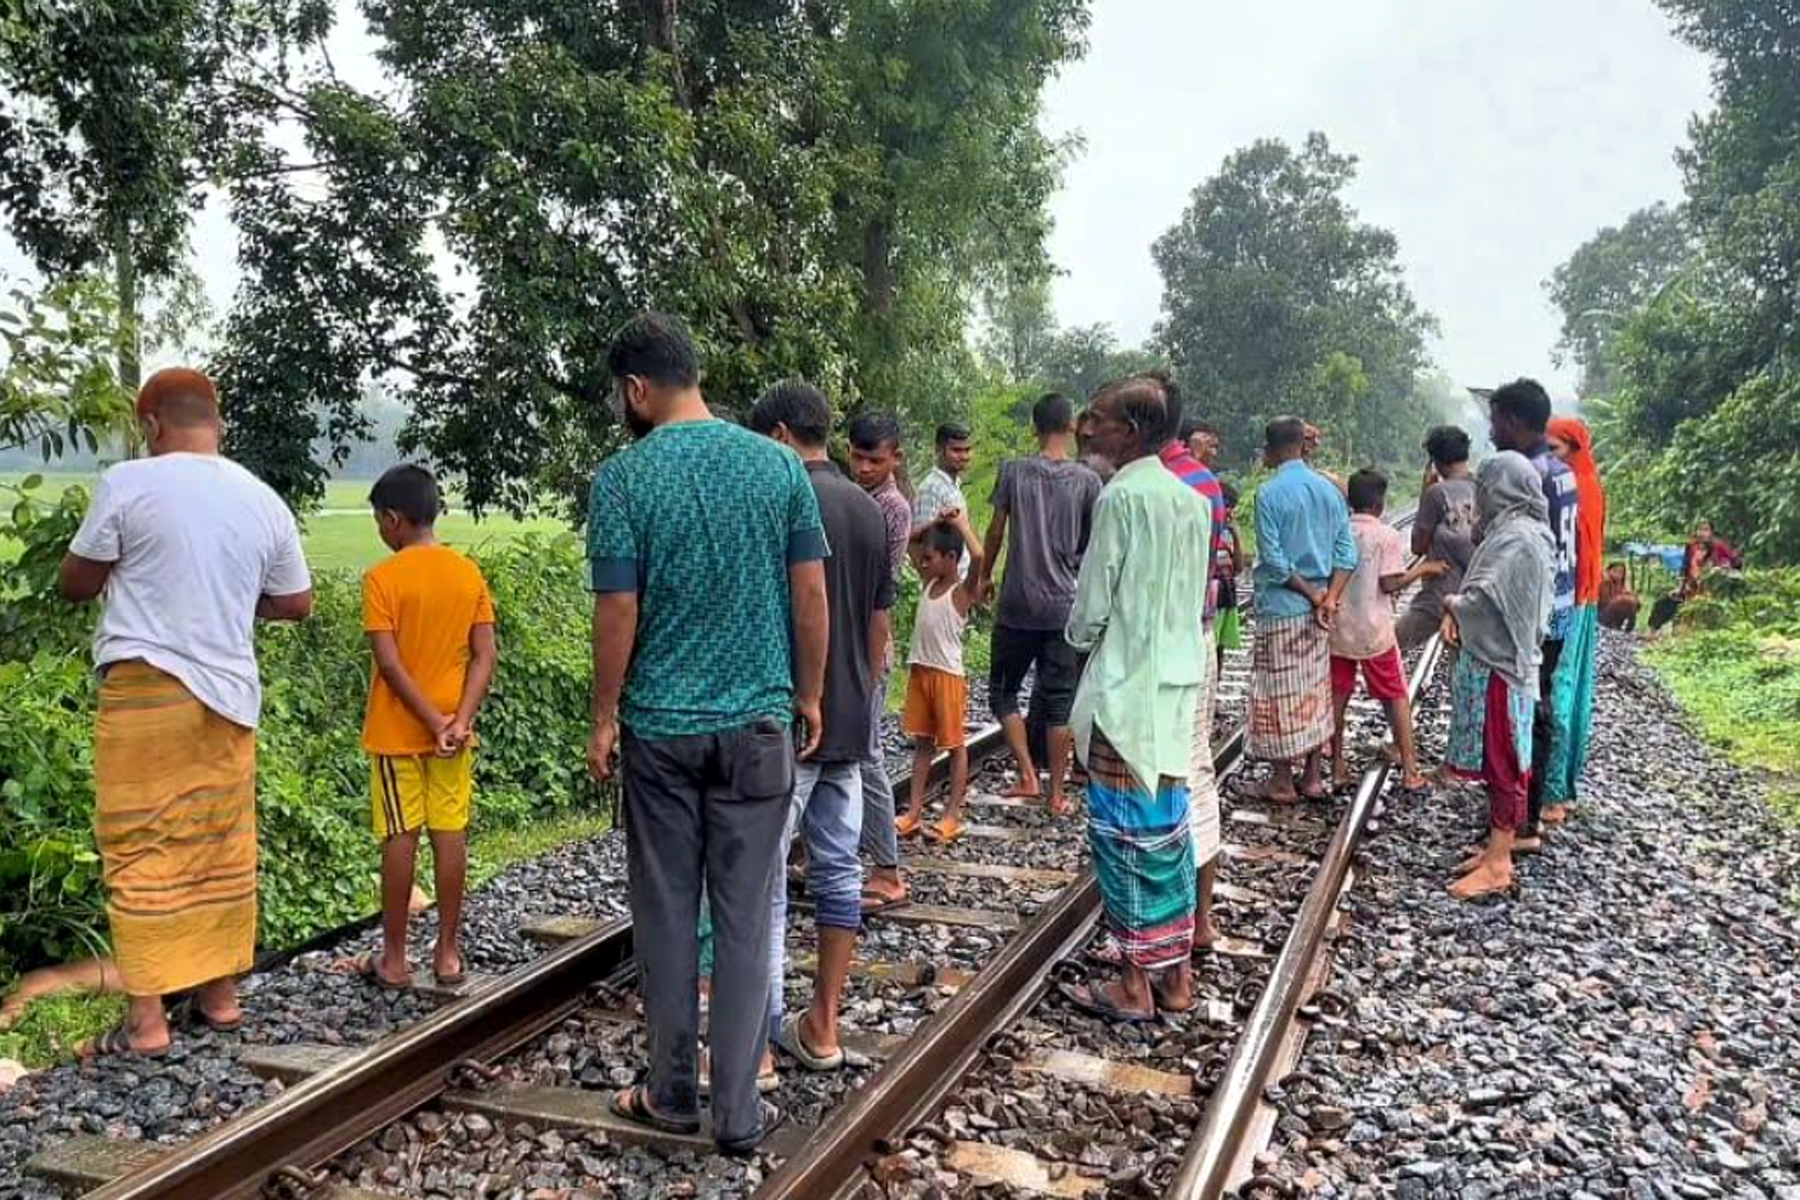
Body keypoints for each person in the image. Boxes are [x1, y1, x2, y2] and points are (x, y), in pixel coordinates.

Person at [585, 313, 827, 1156]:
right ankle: (739, 1112)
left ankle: (669, 1093)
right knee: (745, 914)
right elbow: (810, 594)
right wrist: (809, 694)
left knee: (665, 915)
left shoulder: (623, 479)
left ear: (637, 389)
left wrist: (604, 715)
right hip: (757, 729)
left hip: (660, 734)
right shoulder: (778, 466)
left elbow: (618, 607)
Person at [57, 367, 314, 1058]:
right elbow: (296, 601)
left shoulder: (128, 482)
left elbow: (75, 581)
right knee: (218, 842)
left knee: (139, 844)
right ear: (216, 422)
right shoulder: (260, 497)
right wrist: (232, 599)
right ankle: (219, 995)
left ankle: (147, 1021)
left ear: (151, 424)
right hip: (228, 696)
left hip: (144, 690)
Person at [748, 382, 895, 1080]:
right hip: (850, 719)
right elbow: (877, 622)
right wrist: (860, 696)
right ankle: (824, 1025)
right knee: (839, 870)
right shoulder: (868, 508)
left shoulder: (780, 500)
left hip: (789, 718)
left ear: (779, 435)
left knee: (763, 879)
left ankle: (757, 1042)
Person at [1059, 375, 1210, 1022]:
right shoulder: (1193, 502)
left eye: (1100, 418)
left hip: (1125, 693)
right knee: (1168, 834)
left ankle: (1133, 983)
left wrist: (1077, 638)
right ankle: (1176, 978)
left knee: (1122, 840)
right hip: (1174, 691)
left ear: (1132, 430)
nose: (1088, 427)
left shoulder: (1120, 496)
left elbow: (1092, 607)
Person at [355, 465, 498, 991]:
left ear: (394, 519)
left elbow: (389, 664)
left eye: (379, 520)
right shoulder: (466, 573)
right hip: (454, 736)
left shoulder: (382, 578)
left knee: (400, 834)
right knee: (449, 831)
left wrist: (430, 721)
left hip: (399, 732)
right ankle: (447, 954)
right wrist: (459, 719)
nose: (379, 529)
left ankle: (394, 958)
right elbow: (484, 654)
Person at [978, 392, 1102, 816]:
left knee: (1003, 692)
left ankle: (1028, 774)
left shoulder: (1013, 472)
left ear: (1034, 427)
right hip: (1063, 606)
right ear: (1072, 426)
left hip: (1017, 603)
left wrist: (983, 577)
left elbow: (995, 531)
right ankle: (1057, 795)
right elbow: (1091, 545)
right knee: (1060, 702)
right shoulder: (1088, 481)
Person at [1441, 453, 1555, 900]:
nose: (1480, 497)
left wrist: (1453, 605)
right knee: (1501, 757)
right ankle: (1495, 848)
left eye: (1485, 487)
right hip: (1504, 660)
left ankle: (1500, 862)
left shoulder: (1517, 539)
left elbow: (1486, 600)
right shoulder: (1523, 532)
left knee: (1504, 757)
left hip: (1502, 664)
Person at [1245, 417, 1357, 803]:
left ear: (1272, 448)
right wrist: (1328, 597)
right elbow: (1347, 553)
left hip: (1282, 608)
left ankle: (1281, 780)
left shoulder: (1268, 494)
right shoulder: (1329, 491)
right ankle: (1312, 777)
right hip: (1320, 612)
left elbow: (1274, 561)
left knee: (1277, 690)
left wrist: (1310, 595)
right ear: (1301, 444)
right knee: (1315, 691)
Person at [1486, 379, 1578, 849]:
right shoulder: (1562, 470)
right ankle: (1528, 812)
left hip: (1536, 611)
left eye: (1495, 421)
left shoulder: (1529, 473)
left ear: (1514, 421)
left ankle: (1522, 822)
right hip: (1560, 605)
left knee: (1525, 708)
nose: (1491, 431)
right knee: (1537, 703)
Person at [1328, 469, 1444, 792]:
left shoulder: (1338, 530)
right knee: (1396, 696)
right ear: (1380, 504)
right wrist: (1424, 568)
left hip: (1339, 628)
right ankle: (1410, 770)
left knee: (1337, 698)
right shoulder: (1387, 536)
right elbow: (1390, 583)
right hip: (1374, 632)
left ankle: (1337, 767)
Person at [1159, 403, 1227, 947]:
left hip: (1160, 645)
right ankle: (1199, 920)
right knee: (1196, 767)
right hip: (1197, 636)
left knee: (1156, 776)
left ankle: (1165, 922)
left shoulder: (1141, 486)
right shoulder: (1206, 483)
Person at [846, 413, 912, 914]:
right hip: (849, 644)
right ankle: (834, 855)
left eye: (874, 459)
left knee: (866, 755)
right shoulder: (856, 497)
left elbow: (878, 588)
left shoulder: (891, 507)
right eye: (857, 456)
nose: (864, 467)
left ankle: (887, 868)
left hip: (869, 646)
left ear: (895, 458)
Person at [897, 511, 984, 842]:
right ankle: (913, 812)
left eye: (930, 557)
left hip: (947, 676)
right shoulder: (929, 582)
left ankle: (952, 815)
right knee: (923, 743)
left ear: (949, 558)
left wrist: (961, 525)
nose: (923, 562)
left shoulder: (961, 592)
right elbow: (907, 540)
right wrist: (934, 523)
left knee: (954, 746)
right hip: (922, 670)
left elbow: (978, 556)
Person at [1541, 416, 1605, 825]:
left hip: (1571, 600)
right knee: (1575, 691)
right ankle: (1564, 789)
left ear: (1575, 449)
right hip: (1587, 599)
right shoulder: (1590, 483)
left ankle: (1551, 793)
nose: (1550, 458)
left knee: (1558, 691)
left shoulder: (1572, 487)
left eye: (1556, 449)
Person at [1396, 426, 1478, 652]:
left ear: (1436, 461)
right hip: (1477, 597)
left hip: (1440, 597)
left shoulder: (1437, 493)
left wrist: (1425, 490)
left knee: (1391, 646)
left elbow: (1418, 546)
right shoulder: (1484, 487)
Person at [911, 422, 972, 561]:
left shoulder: (953, 484)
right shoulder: (931, 488)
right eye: (956, 450)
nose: (964, 456)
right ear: (939, 449)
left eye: (967, 450)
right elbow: (924, 542)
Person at [1598, 562, 1641, 631]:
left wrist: (1630, 596)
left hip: (1617, 620)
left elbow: (1638, 605)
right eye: (1615, 571)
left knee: (1632, 600)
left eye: (1620, 572)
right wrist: (1620, 598)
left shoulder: (1622, 585)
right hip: (1603, 615)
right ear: (1608, 571)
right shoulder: (1605, 582)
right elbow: (1604, 602)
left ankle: (1628, 628)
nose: (1617, 574)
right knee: (1626, 600)